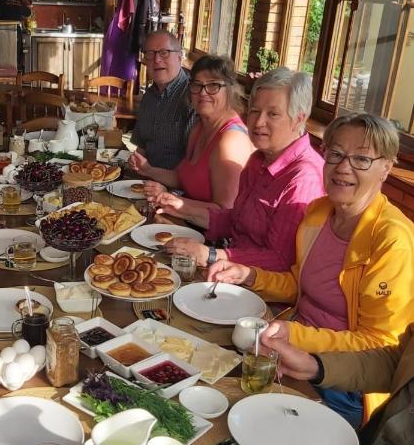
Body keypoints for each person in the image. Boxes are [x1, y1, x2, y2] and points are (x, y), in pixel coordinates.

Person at [209, 113, 414, 427]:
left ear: (386, 167)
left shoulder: (391, 240)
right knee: (210, 373)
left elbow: (379, 344)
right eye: (335, 154)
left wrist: (295, 335)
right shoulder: (319, 211)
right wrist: (249, 275)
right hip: (287, 345)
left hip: (343, 382)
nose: (344, 167)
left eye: (361, 158)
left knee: (247, 422)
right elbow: (299, 284)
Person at [162, 68, 325, 270]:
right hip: (230, 269)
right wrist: (179, 208)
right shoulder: (258, 159)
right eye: (255, 111)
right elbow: (236, 220)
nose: (258, 122)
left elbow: (281, 260)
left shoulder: (303, 178)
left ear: (299, 119)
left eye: (273, 114)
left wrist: (211, 255)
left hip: (262, 292)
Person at [260, 322, 414, 445]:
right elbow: (399, 360)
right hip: (372, 444)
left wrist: (297, 335)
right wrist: (315, 366)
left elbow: (377, 337)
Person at [138, 54, 254, 216]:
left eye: (213, 85)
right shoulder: (199, 128)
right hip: (188, 222)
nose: (203, 93)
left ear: (230, 90)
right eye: (197, 85)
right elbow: (183, 178)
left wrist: (171, 199)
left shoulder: (231, 141)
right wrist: (147, 169)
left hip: (215, 237)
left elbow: (226, 211)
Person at [129, 31, 196, 169]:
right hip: (146, 181)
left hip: (177, 188)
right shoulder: (148, 96)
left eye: (164, 52)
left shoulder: (194, 97)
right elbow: (141, 148)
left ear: (179, 56)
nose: (157, 60)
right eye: (150, 54)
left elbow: (195, 165)